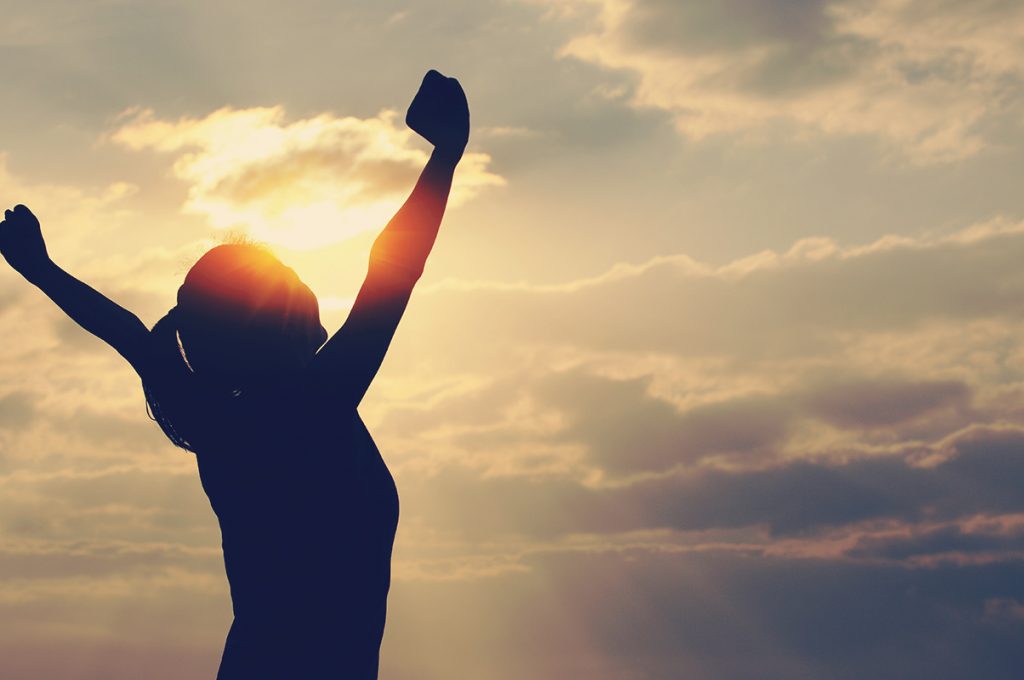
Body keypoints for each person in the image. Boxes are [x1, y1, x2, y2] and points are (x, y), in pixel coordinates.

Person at [0, 69, 470, 679]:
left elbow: (125, 331)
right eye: (295, 283)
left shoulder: (214, 417)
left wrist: (41, 269)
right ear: (285, 317)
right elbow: (392, 272)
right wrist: (444, 157)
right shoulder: (314, 405)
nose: (311, 292)